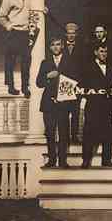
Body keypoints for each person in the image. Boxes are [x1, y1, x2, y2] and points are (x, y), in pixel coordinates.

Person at [36, 37, 77, 168]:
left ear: (62, 46)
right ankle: (52, 160)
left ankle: (63, 161)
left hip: (63, 102)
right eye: (53, 45)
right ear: (49, 47)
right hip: (48, 104)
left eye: (58, 44)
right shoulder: (45, 62)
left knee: (64, 133)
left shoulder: (70, 61)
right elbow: (38, 82)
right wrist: (48, 76)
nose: (55, 47)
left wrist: (63, 96)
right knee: (50, 132)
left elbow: (74, 80)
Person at [81, 43, 112, 169]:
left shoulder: (111, 68)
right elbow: (82, 86)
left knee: (108, 133)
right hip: (92, 105)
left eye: (106, 52)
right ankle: (86, 160)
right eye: (101, 51)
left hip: (107, 105)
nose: (104, 54)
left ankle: (106, 160)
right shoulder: (87, 67)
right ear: (96, 52)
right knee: (89, 132)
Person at [0, 0, 31, 98]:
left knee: (26, 60)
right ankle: (11, 86)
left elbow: (36, 6)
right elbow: (1, 16)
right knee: (10, 60)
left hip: (26, 32)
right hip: (14, 32)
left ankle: (25, 87)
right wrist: (9, 26)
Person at [63, 22, 83, 144]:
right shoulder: (61, 47)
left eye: (73, 34)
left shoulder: (81, 48)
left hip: (76, 84)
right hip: (64, 84)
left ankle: (75, 136)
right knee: (64, 112)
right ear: (66, 34)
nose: (71, 36)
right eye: (69, 34)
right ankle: (65, 137)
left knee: (75, 112)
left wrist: (80, 84)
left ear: (76, 34)